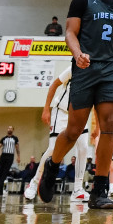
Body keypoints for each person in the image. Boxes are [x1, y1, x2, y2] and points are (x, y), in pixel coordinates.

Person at [37, 0, 113, 210]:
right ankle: (53, 165)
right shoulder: (82, 1)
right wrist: (77, 53)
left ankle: (100, 190)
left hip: (109, 71)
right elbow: (70, 32)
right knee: (74, 130)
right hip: (84, 68)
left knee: (107, 128)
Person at [31, 64, 94, 201]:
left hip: (79, 115)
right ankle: (35, 182)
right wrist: (46, 109)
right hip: (61, 113)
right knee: (53, 149)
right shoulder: (76, 67)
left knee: (83, 148)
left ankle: (78, 189)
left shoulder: (97, 74)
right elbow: (54, 84)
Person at [0, 126, 20, 195]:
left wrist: (18, 157)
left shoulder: (15, 138)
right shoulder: (4, 138)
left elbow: (17, 148)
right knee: (0, 171)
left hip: (10, 156)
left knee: (5, 172)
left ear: (13, 130)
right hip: (4, 155)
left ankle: (0, 188)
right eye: (8, 128)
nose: (9, 129)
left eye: (11, 128)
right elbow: (0, 145)